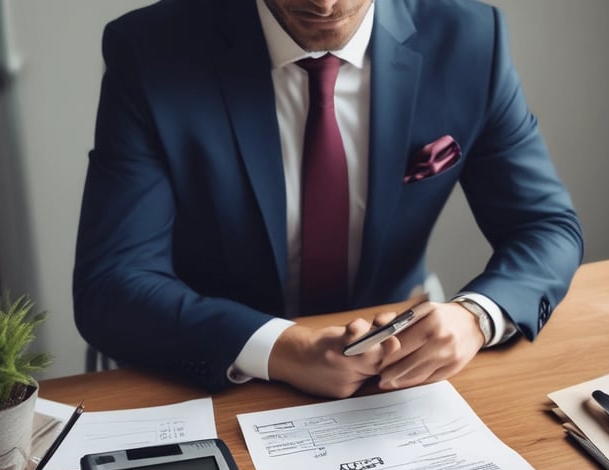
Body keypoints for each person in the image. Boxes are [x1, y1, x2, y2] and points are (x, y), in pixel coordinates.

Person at [73, 0, 582, 398]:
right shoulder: (148, 51)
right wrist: (283, 349)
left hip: (398, 367)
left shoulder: (470, 40)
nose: (324, 7)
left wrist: (476, 315)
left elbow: (545, 226)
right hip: (221, 366)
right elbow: (111, 284)